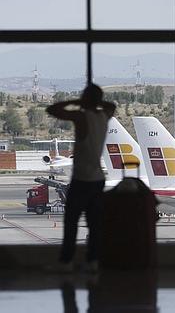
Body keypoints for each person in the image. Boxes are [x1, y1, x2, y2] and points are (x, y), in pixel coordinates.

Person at [47, 84, 115, 272]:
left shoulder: (82, 117)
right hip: (98, 178)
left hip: (81, 178)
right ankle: (93, 261)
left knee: (71, 223)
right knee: (94, 223)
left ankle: (66, 262)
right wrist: (92, 101)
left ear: (86, 99)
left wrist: (77, 102)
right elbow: (111, 106)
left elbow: (52, 109)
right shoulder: (103, 116)